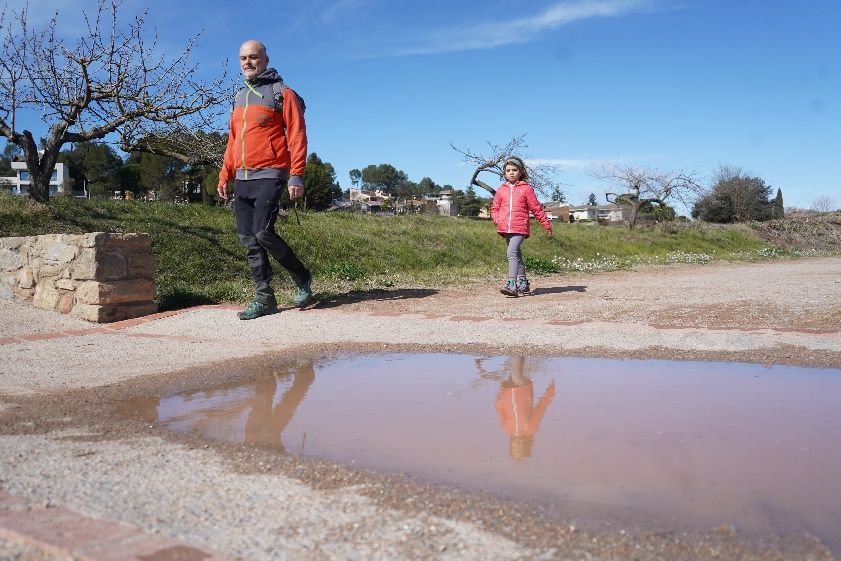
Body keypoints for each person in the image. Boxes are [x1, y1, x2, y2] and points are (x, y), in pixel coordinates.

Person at [217, 39, 312, 320]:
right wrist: (225, 175)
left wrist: (296, 175)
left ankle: (302, 276)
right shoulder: (237, 97)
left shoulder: (282, 93)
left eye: (253, 57)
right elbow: (233, 141)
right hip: (242, 178)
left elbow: (297, 135)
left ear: (265, 60)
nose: (248, 62)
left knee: (263, 233)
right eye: (243, 58)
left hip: (271, 173)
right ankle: (264, 296)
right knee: (248, 239)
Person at [489, 156, 553, 297]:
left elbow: (536, 208)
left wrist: (546, 224)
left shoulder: (526, 189)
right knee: (517, 255)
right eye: (508, 170)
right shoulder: (501, 190)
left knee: (511, 253)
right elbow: (494, 209)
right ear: (504, 173)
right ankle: (523, 283)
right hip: (505, 228)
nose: (511, 173)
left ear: (521, 172)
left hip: (520, 228)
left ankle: (511, 284)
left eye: (514, 170)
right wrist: (497, 220)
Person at [494, 356, 555, 461]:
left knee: (515, 370)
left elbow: (500, 411)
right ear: (526, 447)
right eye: (520, 449)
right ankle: (517, 349)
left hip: (507, 390)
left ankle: (520, 351)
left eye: (514, 449)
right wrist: (549, 394)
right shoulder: (531, 430)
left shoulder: (506, 429)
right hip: (523, 389)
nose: (517, 446)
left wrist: (500, 399)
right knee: (515, 371)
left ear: (510, 446)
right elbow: (540, 410)